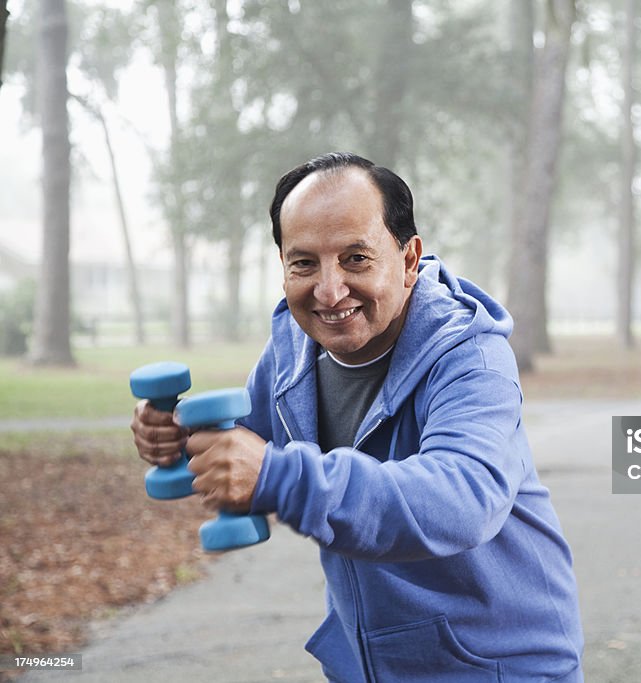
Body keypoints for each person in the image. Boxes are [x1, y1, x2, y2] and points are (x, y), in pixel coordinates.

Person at [131, 152, 585, 682]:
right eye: (304, 263)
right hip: (373, 665)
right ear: (283, 267)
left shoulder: (471, 357)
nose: (329, 291)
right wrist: (174, 439)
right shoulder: (291, 351)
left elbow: (463, 498)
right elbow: (242, 452)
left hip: (500, 665)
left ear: (409, 258)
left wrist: (279, 476)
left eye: (355, 258)